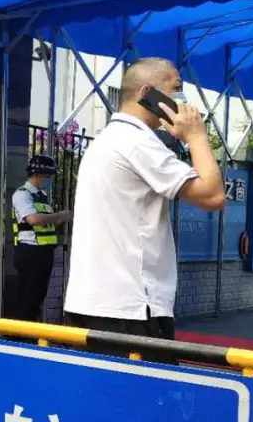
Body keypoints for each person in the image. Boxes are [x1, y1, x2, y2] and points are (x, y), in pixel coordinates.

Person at [65, 57, 225, 339]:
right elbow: (213, 195)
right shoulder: (138, 142)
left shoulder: (109, 138)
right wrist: (196, 136)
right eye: (176, 88)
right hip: (131, 307)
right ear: (147, 93)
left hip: (96, 302)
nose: (182, 98)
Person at [11, 154, 71, 322]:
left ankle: (28, 329)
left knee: (37, 297)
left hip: (43, 252)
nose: (49, 180)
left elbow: (44, 222)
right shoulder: (23, 194)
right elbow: (33, 219)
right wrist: (59, 215)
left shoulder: (41, 195)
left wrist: (58, 219)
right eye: (48, 176)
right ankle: (20, 332)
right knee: (28, 298)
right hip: (29, 252)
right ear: (38, 175)